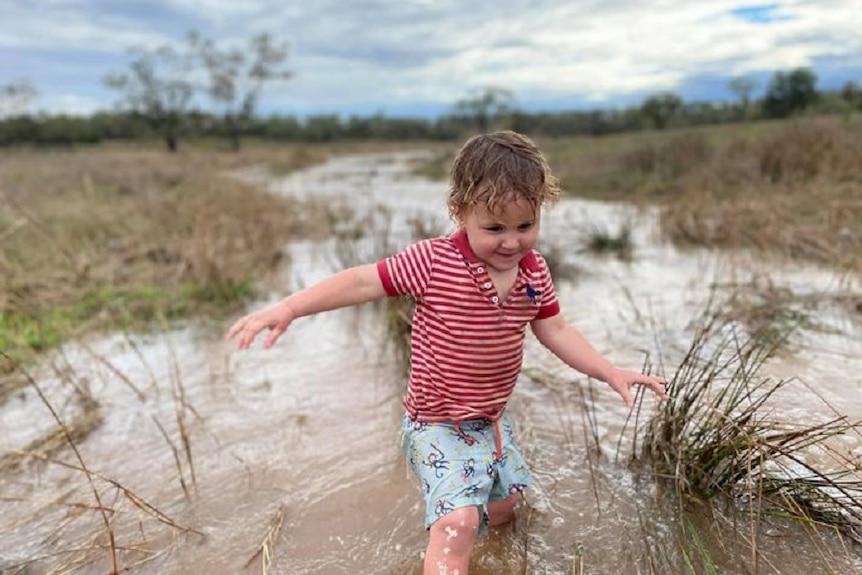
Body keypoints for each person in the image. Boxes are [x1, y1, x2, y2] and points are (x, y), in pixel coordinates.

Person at [227, 130, 668, 574]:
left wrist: (608, 370)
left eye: (525, 226)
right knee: (458, 522)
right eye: (494, 228)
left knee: (504, 509)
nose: (512, 242)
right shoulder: (434, 262)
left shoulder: (534, 270)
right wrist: (289, 307)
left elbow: (555, 328)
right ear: (460, 212)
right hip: (436, 423)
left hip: (492, 421)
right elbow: (363, 281)